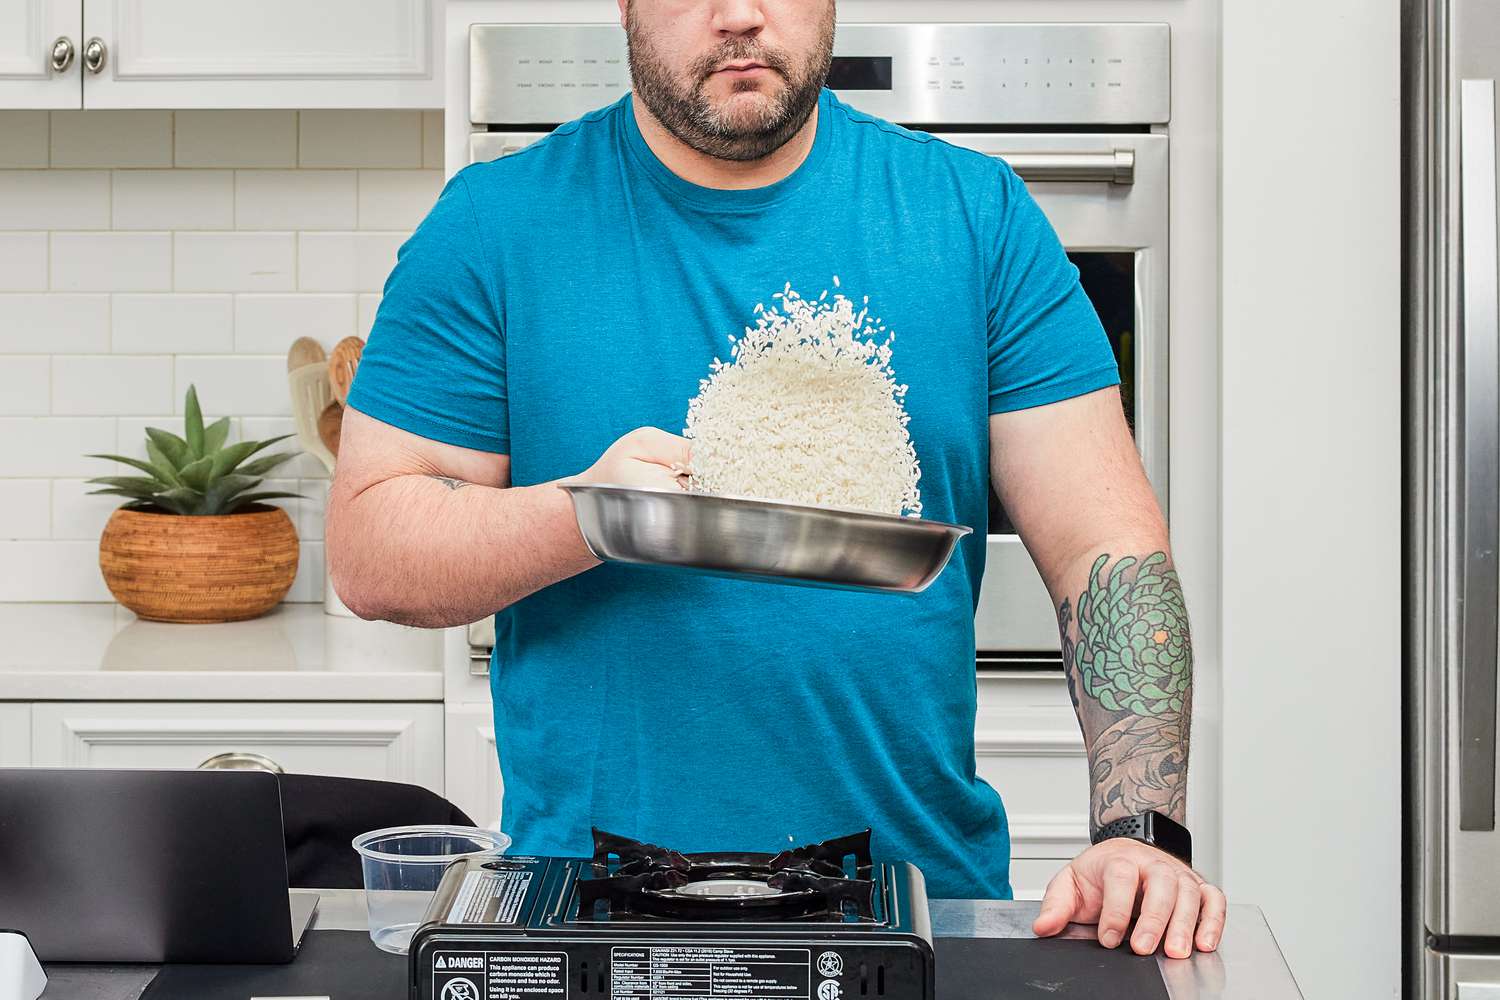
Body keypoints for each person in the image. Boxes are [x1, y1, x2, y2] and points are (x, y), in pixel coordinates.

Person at [326, 0, 1224, 959]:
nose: (740, 15)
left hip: (918, 913)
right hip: (590, 914)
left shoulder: (975, 216)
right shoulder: (495, 224)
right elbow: (371, 550)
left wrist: (1143, 834)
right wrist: (589, 519)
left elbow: (1106, 552)